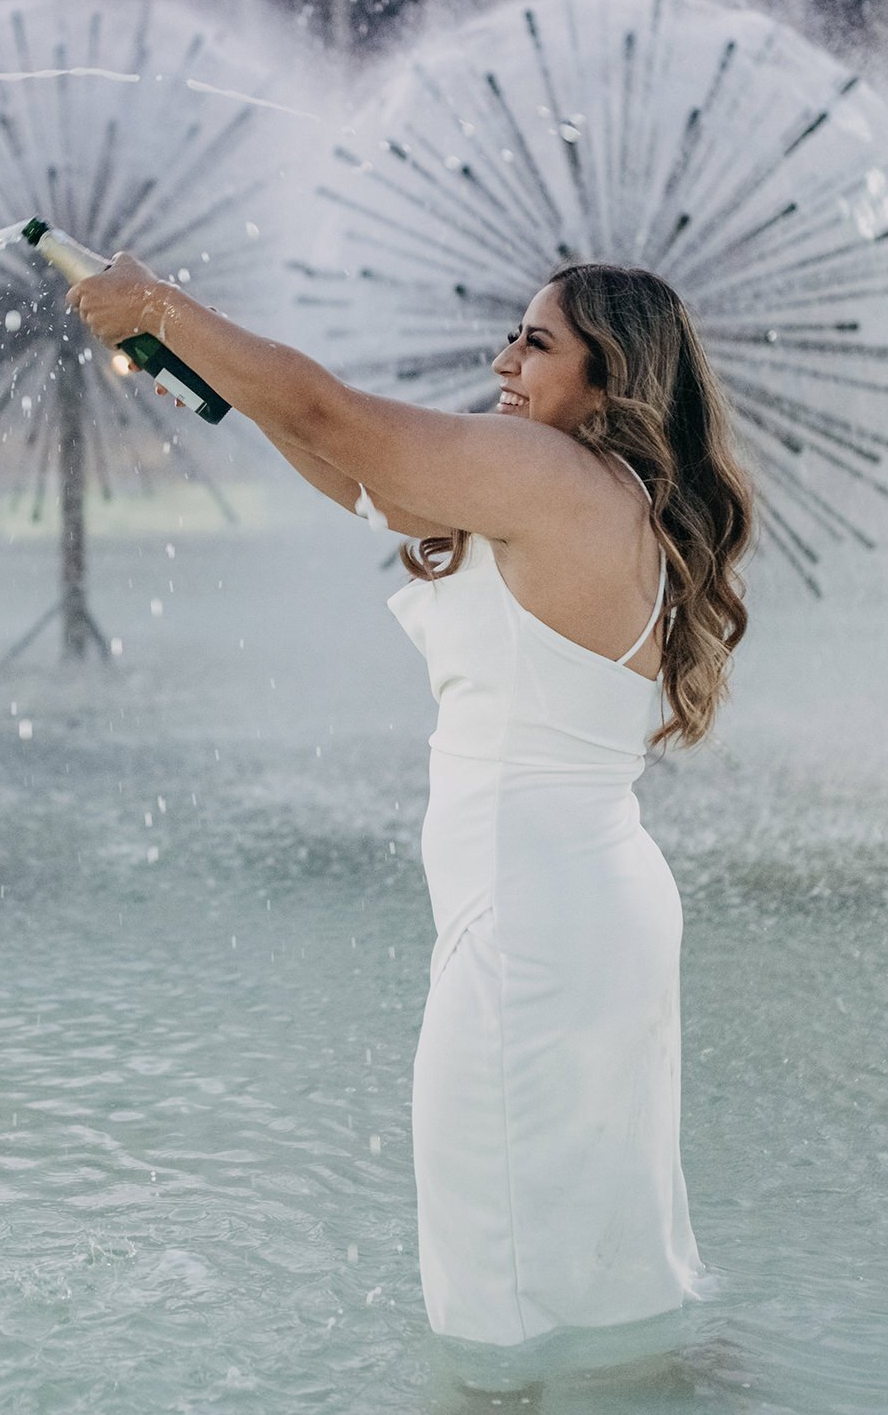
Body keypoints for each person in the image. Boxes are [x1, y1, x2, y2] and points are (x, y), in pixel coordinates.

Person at [67, 255, 753, 1378]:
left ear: (611, 375)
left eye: (537, 344)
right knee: (607, 1268)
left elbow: (334, 411)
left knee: (494, 1290)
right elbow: (358, 476)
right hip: (585, 912)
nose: (504, 361)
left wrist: (162, 309)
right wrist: (209, 371)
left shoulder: (550, 473)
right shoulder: (592, 494)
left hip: (531, 930)